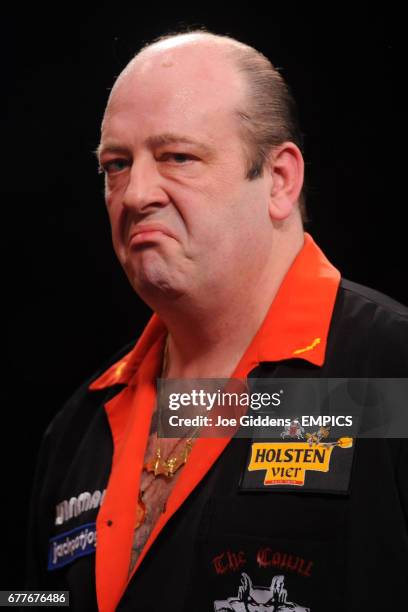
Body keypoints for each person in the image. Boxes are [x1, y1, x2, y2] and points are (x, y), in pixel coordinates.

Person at [26, 30, 408, 611]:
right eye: (117, 165)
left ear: (279, 180)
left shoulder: (391, 375)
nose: (135, 195)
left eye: (177, 157)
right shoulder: (79, 427)